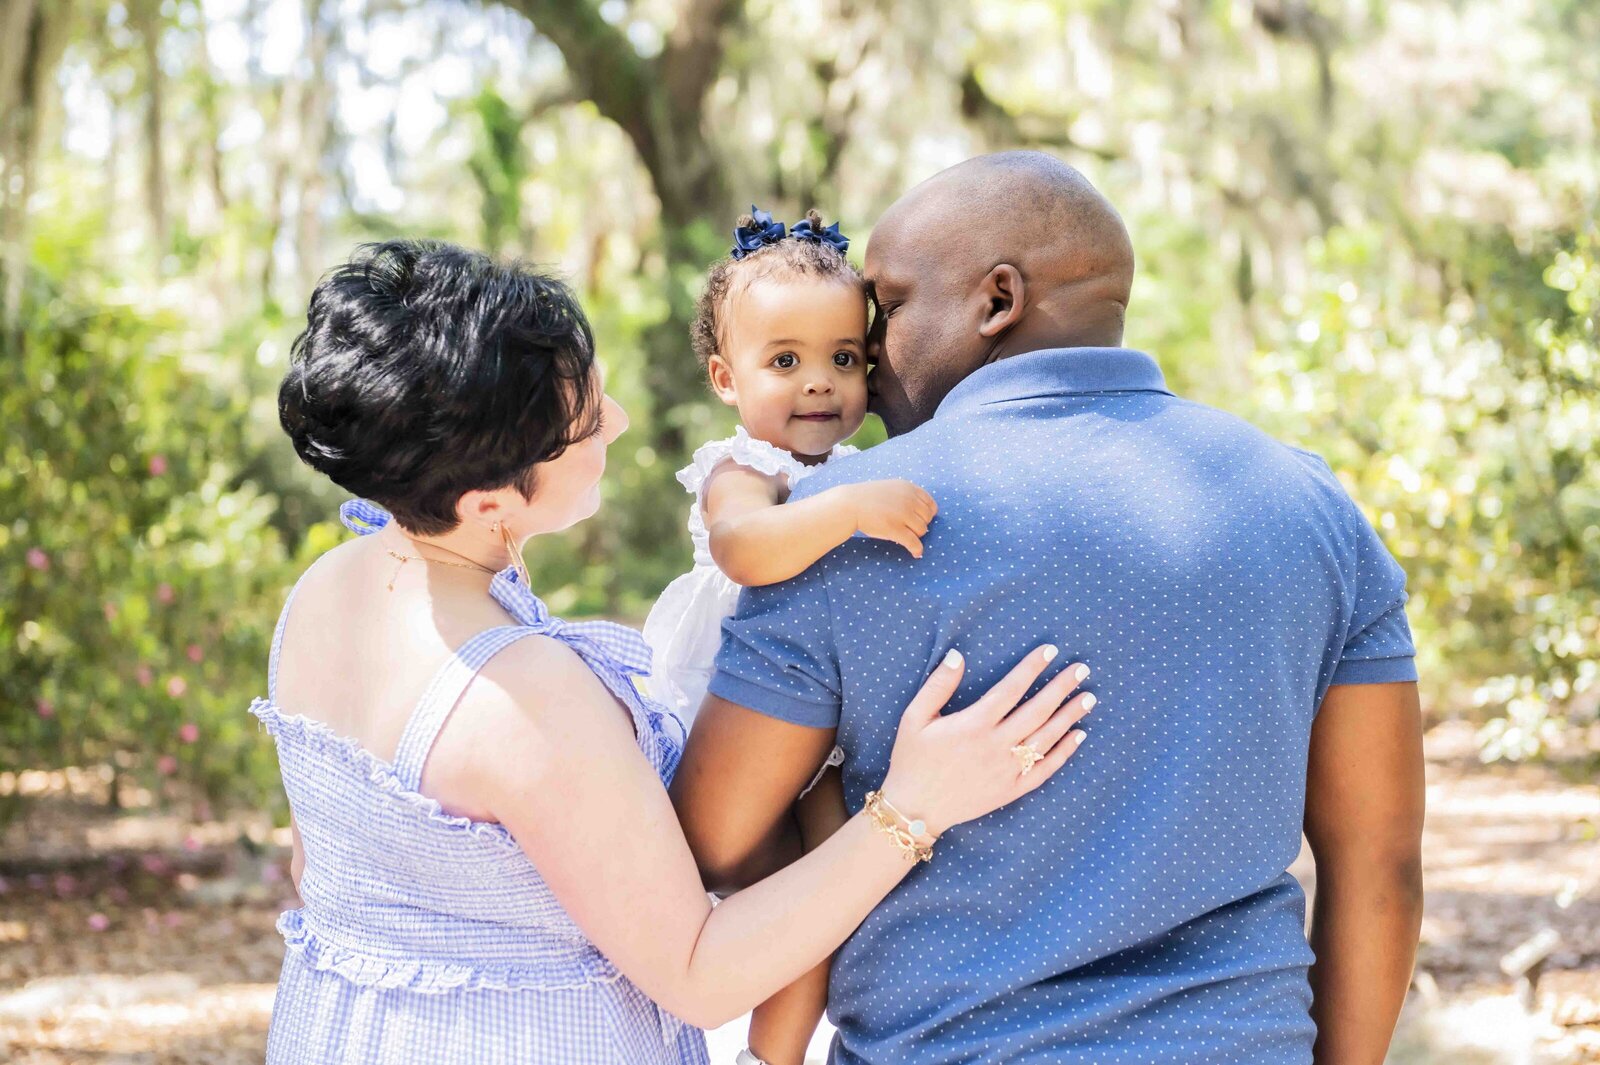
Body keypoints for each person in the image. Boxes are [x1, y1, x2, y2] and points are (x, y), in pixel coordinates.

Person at [256, 238, 1094, 1064]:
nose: (615, 421)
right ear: (486, 502)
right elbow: (699, 973)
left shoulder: (331, 588)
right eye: (586, 422)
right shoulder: (522, 696)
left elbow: (320, 860)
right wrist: (916, 804)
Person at [673, 151, 1426, 1065]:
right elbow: (1379, 865)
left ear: (997, 300)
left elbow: (713, 839)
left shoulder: (845, 527)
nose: (869, 349)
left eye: (892, 306)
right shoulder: (1312, 507)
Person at [641, 205, 939, 1063]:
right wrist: (847, 513)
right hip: (733, 705)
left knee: (823, 907)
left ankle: (779, 1052)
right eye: (785, 361)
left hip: (825, 729)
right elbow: (744, 550)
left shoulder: (856, 470)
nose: (819, 383)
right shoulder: (744, 471)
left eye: (844, 359)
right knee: (777, 899)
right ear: (725, 377)